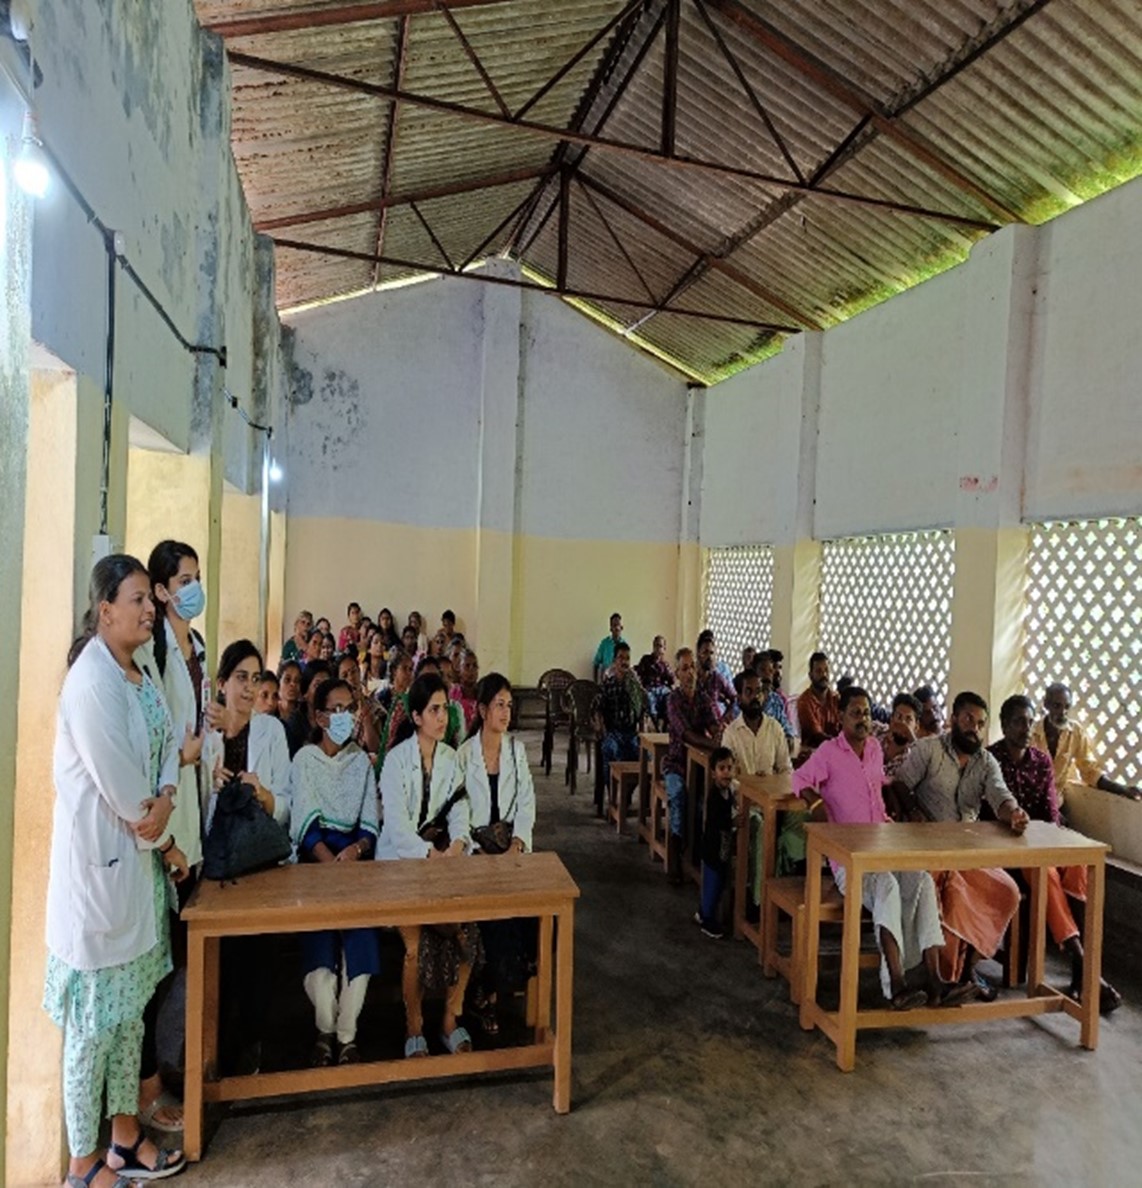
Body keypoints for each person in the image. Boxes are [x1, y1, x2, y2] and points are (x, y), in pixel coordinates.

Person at [46, 554, 189, 1187]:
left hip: (134, 881)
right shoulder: (90, 684)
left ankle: (125, 1140)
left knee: (129, 1018)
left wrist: (167, 794)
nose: (148, 609)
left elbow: (167, 743)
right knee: (90, 1035)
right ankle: (82, 1166)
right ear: (105, 610)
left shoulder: (139, 671)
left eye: (147, 601)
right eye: (137, 600)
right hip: (99, 884)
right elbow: (124, 792)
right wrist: (158, 815)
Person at [793, 687, 970, 1009]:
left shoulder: (874, 748)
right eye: (855, 713)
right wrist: (816, 803)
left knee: (922, 880)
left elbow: (878, 786)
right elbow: (799, 779)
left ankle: (934, 980)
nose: (863, 719)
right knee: (886, 885)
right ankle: (898, 985)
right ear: (841, 717)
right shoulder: (829, 753)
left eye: (866, 712)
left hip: (881, 845)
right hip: (849, 858)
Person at [136, 539, 208, 1131]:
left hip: (191, 815)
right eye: (183, 579)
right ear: (160, 591)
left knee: (183, 957)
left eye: (196, 577)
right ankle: (150, 1086)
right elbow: (156, 737)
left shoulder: (193, 644)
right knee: (158, 966)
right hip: (164, 819)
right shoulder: (155, 650)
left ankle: (176, 1064)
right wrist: (183, 756)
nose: (192, 588)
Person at [889, 691, 1027, 997]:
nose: (973, 729)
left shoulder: (986, 762)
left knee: (1007, 891)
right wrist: (913, 811)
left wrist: (1013, 813)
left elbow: (1000, 795)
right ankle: (945, 975)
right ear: (953, 718)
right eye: (968, 720)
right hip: (925, 849)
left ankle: (968, 969)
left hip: (966, 850)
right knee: (954, 892)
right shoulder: (928, 749)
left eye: (980, 724)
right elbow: (899, 783)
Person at [988, 695, 1121, 1013]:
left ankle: (1079, 974)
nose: (1024, 728)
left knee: (1077, 867)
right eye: (1018, 721)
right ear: (1005, 725)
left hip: (1041, 841)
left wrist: (1052, 839)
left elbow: (1050, 811)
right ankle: (1085, 968)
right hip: (1004, 846)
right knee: (1044, 873)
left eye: (1028, 721)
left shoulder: (1040, 761)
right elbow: (990, 812)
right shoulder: (990, 758)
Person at [201, 640, 292, 1075]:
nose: (250, 688)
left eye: (256, 679)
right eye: (240, 678)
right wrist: (213, 786)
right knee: (222, 963)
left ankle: (252, 1050)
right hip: (215, 866)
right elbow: (192, 806)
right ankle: (217, 1053)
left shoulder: (271, 732)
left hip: (259, 863)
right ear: (221, 683)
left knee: (259, 961)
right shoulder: (207, 733)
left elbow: (286, 805)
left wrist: (261, 792)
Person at [377, 674, 478, 1058]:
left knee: (467, 932)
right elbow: (399, 829)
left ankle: (450, 1020)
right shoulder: (396, 762)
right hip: (400, 867)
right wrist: (432, 856)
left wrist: (456, 846)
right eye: (434, 710)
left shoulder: (451, 760)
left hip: (441, 867)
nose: (443, 718)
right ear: (416, 716)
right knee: (415, 944)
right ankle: (413, 1027)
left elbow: (459, 811)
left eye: (445, 709)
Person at [290, 679, 381, 1065]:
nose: (345, 717)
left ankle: (347, 1035)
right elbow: (305, 824)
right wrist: (329, 862)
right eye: (337, 709)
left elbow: (369, 822)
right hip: (315, 866)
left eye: (350, 708)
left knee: (360, 946)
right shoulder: (305, 760)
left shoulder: (360, 761)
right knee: (319, 951)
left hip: (353, 866)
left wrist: (356, 851)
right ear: (320, 715)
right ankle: (326, 1031)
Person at [456, 674, 537, 1034]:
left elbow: (526, 804)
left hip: (509, 850)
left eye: (509, 704)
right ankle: (484, 992)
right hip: (476, 852)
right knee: (489, 915)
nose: (506, 711)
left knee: (527, 912)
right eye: (499, 704)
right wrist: (475, 851)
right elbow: (457, 811)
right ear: (483, 709)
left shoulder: (517, 752)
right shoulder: (463, 755)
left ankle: (492, 989)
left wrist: (518, 844)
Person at [723, 670, 792, 911]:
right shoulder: (732, 733)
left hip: (773, 802)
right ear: (739, 697)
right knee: (760, 826)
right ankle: (758, 901)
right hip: (743, 805)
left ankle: (789, 894)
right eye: (748, 692)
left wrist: (772, 784)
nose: (755, 697)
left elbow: (786, 769)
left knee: (802, 821)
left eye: (759, 692)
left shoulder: (774, 729)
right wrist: (751, 786)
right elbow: (727, 778)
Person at [1031, 682, 1141, 804]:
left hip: (1054, 803)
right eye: (1057, 706)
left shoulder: (1075, 732)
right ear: (1046, 704)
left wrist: (1123, 789)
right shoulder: (1030, 734)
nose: (1063, 712)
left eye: (1067, 707)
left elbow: (1089, 771)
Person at [663, 648, 719, 885]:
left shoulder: (703, 698)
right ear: (676, 673)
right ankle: (674, 855)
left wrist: (719, 735)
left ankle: (696, 853)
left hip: (699, 767)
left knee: (703, 804)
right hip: (677, 765)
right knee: (678, 797)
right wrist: (713, 745)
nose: (690, 673)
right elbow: (686, 734)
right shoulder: (673, 699)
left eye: (692, 667)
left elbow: (714, 723)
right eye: (684, 668)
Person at [595, 642, 645, 816]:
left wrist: (642, 730)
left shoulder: (634, 686)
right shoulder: (608, 685)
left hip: (631, 732)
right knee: (611, 750)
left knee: (645, 757)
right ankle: (613, 798)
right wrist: (602, 730)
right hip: (614, 732)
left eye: (627, 658)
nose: (624, 662)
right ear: (614, 661)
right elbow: (598, 710)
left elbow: (643, 710)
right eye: (621, 658)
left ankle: (627, 795)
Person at [694, 747, 737, 939]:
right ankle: (708, 920)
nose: (726, 772)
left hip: (722, 849)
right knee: (712, 884)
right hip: (713, 849)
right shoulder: (714, 796)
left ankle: (703, 911)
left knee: (718, 884)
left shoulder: (728, 792)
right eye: (722, 768)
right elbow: (717, 821)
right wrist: (733, 822)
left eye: (729, 767)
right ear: (713, 773)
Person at [375, 651, 415, 770]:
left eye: (411, 669)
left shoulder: (412, 701)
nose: (409, 673)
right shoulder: (383, 698)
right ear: (393, 671)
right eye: (404, 669)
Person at [284, 659, 333, 758]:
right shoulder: (295, 723)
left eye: (327, 685)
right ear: (305, 693)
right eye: (317, 685)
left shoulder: (336, 719)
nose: (324, 691)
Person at [415, 655, 465, 747]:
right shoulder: (403, 704)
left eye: (434, 680)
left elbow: (458, 746)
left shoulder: (453, 711)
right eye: (425, 680)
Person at [796, 652, 841, 753]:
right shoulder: (804, 702)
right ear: (810, 675)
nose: (824, 675)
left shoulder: (835, 698)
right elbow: (817, 736)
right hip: (813, 755)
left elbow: (844, 726)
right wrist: (841, 744)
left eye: (826, 670)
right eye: (818, 671)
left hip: (836, 751)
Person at [337, 651, 380, 754]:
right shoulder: (335, 712)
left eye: (353, 671)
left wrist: (363, 707)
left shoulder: (373, 706)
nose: (351, 677)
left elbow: (375, 748)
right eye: (345, 675)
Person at [875, 692, 922, 781]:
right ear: (892, 719)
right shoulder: (876, 731)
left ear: (916, 727)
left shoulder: (911, 759)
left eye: (908, 719)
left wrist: (910, 737)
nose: (902, 723)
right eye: (899, 716)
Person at [752, 652, 794, 741]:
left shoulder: (777, 700)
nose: (767, 675)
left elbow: (786, 725)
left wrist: (789, 736)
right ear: (754, 672)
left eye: (770, 671)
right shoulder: (748, 700)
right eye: (763, 670)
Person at [696, 630, 736, 722]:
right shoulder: (692, 676)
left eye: (711, 653)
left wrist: (726, 715)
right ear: (699, 654)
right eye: (705, 652)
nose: (709, 657)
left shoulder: (717, 678)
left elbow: (734, 697)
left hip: (715, 723)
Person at [635, 635, 674, 729]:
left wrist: (669, 672)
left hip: (662, 688)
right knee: (649, 698)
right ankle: (656, 725)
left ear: (664, 649)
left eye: (660, 646)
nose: (658, 649)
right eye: (656, 646)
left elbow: (671, 680)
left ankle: (665, 726)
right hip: (649, 687)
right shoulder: (646, 659)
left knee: (670, 696)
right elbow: (638, 674)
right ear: (653, 646)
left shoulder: (665, 664)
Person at [450, 648, 480, 732]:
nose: (471, 670)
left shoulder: (482, 693)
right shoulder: (453, 694)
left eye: (475, 666)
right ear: (459, 669)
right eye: (467, 666)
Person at [593, 612, 626, 683]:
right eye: (614, 625)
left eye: (618, 625)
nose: (616, 628)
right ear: (610, 628)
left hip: (620, 682)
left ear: (622, 627)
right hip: (606, 681)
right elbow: (596, 664)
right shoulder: (604, 644)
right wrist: (595, 682)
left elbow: (626, 666)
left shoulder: (625, 645)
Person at [277, 659, 302, 724]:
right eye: (287, 680)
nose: (293, 684)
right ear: (278, 683)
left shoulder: (304, 715)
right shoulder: (271, 710)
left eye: (297, 681)